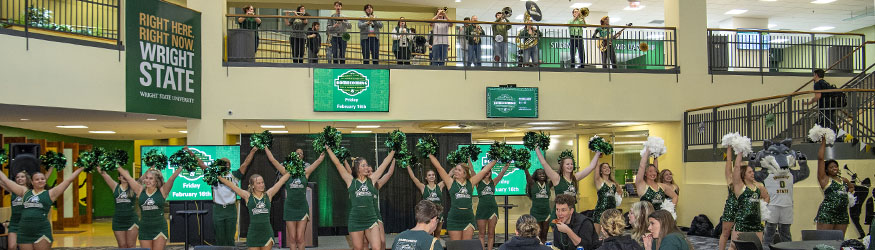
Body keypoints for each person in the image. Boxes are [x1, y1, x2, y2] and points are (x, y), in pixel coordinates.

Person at [325, 147, 395, 250]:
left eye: (367, 165)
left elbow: (384, 164)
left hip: (371, 219)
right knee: (358, 248)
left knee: (377, 247)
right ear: (357, 168)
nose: (367, 167)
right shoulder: (350, 181)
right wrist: (328, 149)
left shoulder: (372, 180)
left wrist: (394, 149)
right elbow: (337, 164)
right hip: (356, 220)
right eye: (363, 165)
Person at [0, 167, 83, 250]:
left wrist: (80, 169)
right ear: (32, 182)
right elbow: (6, 181)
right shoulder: (24, 192)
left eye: (42, 179)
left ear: (45, 181)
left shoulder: (51, 193)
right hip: (24, 231)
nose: (40, 181)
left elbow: (68, 181)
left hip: (41, 230)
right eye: (37, 179)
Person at [187, 146, 255, 247]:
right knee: (219, 237)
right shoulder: (213, 175)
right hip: (218, 209)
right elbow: (201, 164)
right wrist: (190, 153)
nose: (226, 165)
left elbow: (245, 163)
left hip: (231, 209)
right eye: (223, 164)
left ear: (230, 166)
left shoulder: (234, 175)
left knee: (230, 237)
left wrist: (253, 151)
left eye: (228, 164)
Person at [427, 153, 497, 241]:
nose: (456, 171)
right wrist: (430, 154)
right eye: (455, 169)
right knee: (457, 245)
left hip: (468, 218)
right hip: (454, 218)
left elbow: (484, 170)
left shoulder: (471, 182)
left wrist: (496, 159)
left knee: (466, 245)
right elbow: (439, 168)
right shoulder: (450, 182)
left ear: (465, 173)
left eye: (459, 170)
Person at [265, 148, 324, 250]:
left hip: (302, 208)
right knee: (292, 238)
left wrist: (325, 149)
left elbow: (318, 161)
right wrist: (265, 146)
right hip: (289, 208)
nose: (299, 154)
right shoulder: (286, 172)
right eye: (297, 153)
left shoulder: (305, 172)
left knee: (300, 238)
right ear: (292, 157)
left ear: (303, 157)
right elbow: (273, 160)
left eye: (301, 153)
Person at [117, 165, 182, 250]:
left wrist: (180, 167)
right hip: (144, 228)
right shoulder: (140, 190)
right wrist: (117, 165)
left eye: (151, 178)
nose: (147, 181)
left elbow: (171, 179)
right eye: (146, 178)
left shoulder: (162, 191)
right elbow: (129, 178)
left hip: (159, 228)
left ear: (156, 181)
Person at [220, 171, 290, 250]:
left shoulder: (268, 194)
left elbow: (281, 181)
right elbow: (232, 185)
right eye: (258, 183)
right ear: (252, 186)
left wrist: (292, 169)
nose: (261, 185)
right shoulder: (247, 196)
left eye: (262, 182)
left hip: (266, 232)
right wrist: (219, 177)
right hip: (253, 233)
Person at [815, 137, 852, 234]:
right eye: (831, 167)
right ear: (826, 170)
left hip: (842, 213)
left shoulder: (844, 180)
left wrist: (849, 194)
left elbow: (852, 187)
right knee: (825, 239)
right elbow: (820, 159)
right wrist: (823, 141)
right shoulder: (824, 179)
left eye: (836, 166)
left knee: (839, 240)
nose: (834, 168)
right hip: (828, 213)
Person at [97, 168, 139, 248]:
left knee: (131, 245)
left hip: (131, 220)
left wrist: (152, 166)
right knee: (122, 245)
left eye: (126, 175)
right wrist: (97, 165)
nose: (125, 177)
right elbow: (104, 174)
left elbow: (143, 177)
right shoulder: (115, 186)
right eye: (122, 175)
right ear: (119, 178)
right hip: (118, 220)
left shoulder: (134, 187)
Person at [731, 159, 770, 244]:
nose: (753, 173)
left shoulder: (759, 186)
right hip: (742, 221)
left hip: (756, 222)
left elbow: (766, 197)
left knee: (756, 245)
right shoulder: (738, 186)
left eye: (753, 172)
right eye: (750, 172)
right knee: (735, 245)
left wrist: (762, 208)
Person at [476, 162, 510, 250]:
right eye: (485, 170)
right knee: (481, 233)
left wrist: (506, 165)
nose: (487, 172)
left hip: (493, 209)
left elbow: (502, 173)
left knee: (491, 234)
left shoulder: (493, 182)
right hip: (481, 210)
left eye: (489, 171)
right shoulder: (477, 182)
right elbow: (472, 171)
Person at [406, 165, 445, 238]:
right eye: (429, 175)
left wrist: (455, 165)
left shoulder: (439, 186)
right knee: (428, 234)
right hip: (428, 214)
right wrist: (408, 166)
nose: (431, 176)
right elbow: (413, 178)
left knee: (437, 233)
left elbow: (448, 176)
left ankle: (436, 245)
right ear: (426, 178)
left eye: (433, 175)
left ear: (435, 177)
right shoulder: (423, 187)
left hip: (438, 214)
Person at [719, 147, 740, 250]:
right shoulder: (730, 179)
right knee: (725, 233)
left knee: (739, 235)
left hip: (743, 208)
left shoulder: (748, 181)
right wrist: (729, 147)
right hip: (731, 207)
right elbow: (728, 161)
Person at [525, 168, 552, 242]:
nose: (542, 175)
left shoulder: (548, 184)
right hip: (536, 213)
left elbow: (555, 176)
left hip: (546, 213)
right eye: (539, 174)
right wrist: (525, 167)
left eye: (543, 174)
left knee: (545, 234)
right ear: (536, 176)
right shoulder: (532, 184)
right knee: (537, 234)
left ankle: (543, 246)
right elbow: (527, 176)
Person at [7, 171, 30, 250]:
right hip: (14, 222)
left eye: (22, 177)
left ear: (26, 179)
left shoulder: (31, 191)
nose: (20, 179)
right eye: (17, 177)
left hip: (27, 223)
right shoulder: (12, 190)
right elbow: (2, 182)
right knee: (11, 247)